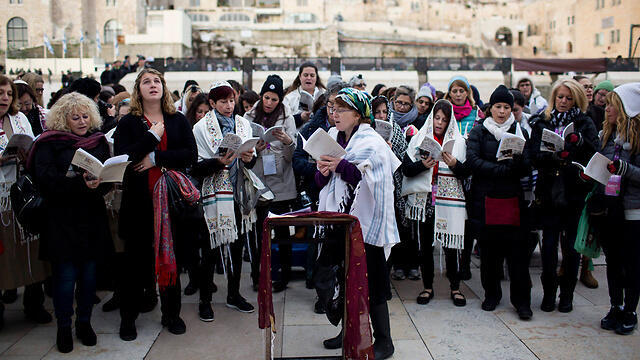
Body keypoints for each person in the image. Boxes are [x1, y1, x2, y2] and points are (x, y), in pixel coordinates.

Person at [114, 68, 197, 341]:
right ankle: (129, 317)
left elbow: (190, 155)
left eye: (157, 81)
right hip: (138, 203)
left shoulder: (177, 120)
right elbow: (124, 157)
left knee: (169, 258)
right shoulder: (129, 123)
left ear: (163, 87)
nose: (153, 85)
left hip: (171, 204)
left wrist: (156, 159)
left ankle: (171, 314)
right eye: (146, 82)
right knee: (135, 263)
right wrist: (151, 137)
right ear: (138, 90)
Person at [316, 88, 399, 359]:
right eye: (332, 108)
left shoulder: (372, 142)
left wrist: (340, 166)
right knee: (338, 276)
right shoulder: (333, 138)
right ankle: (347, 330)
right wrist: (323, 171)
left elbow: (371, 180)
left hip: (366, 223)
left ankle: (384, 341)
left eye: (341, 109)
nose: (334, 114)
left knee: (373, 284)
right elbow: (322, 185)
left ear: (357, 114)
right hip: (340, 222)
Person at [32, 92, 114, 352]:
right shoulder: (49, 143)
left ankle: (85, 323)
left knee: (89, 277)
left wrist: (99, 184)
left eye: (85, 116)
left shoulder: (98, 141)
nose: (81, 121)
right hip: (62, 218)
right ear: (63, 119)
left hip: (91, 216)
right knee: (65, 277)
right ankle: (64, 327)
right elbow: (45, 180)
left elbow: (106, 180)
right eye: (75, 117)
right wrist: (78, 182)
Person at [529, 79, 599, 313]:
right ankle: (549, 293)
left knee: (570, 247)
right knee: (548, 246)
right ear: (554, 97)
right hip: (549, 190)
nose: (563, 102)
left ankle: (567, 295)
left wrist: (578, 144)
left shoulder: (584, 122)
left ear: (576, 100)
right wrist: (553, 157)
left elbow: (593, 154)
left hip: (573, 191)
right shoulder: (543, 121)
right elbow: (533, 154)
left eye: (568, 98)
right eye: (560, 97)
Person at [191, 81, 258, 321]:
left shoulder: (243, 124)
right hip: (213, 193)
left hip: (238, 190)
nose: (229, 106)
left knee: (238, 246)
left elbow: (251, 160)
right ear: (211, 103)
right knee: (210, 249)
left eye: (231, 100)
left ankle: (233, 294)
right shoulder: (200, 128)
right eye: (223, 101)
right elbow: (195, 166)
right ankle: (205, 299)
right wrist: (217, 162)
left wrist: (249, 156)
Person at [466, 85, 533, 319]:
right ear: (490, 108)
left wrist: (513, 166)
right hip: (486, 199)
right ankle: (491, 295)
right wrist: (501, 170)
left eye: (506, 107)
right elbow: (473, 161)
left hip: (512, 200)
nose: (502, 112)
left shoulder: (519, 131)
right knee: (489, 254)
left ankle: (522, 301)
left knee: (517, 256)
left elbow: (526, 164)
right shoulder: (479, 131)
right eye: (498, 107)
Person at [402, 99, 469, 307]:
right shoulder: (419, 138)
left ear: (451, 122)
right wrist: (422, 165)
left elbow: (466, 173)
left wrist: (454, 164)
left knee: (451, 246)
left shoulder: (459, 142)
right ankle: (427, 286)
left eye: (444, 120)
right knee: (424, 247)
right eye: (437, 118)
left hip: (448, 200)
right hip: (424, 201)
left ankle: (455, 287)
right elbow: (406, 169)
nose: (439, 123)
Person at [0, 75, 51, 333]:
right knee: (3, 253)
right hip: (0, 197)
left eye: (8, 93)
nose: (5, 98)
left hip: (23, 192)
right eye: (1, 93)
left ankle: (34, 303)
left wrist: (27, 152)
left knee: (31, 249)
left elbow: (33, 147)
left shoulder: (19, 119)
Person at [243, 75, 297, 293]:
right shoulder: (248, 117)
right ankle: (258, 275)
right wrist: (254, 147)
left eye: (274, 99)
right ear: (261, 95)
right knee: (258, 232)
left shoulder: (288, 117)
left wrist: (286, 142)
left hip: (281, 181)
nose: (269, 103)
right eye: (266, 97)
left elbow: (294, 154)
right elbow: (242, 146)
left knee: (283, 232)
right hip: (257, 181)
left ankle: (284, 275)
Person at [598, 83, 640, 335]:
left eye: (613, 103)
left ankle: (631, 309)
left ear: (626, 108)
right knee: (613, 261)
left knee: (632, 263)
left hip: (633, 210)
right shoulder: (608, 134)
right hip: (609, 208)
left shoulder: (637, 137)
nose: (607, 108)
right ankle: (615, 305)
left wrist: (624, 169)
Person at [284, 62, 326, 128]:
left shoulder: (325, 94)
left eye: (312, 75)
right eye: (305, 75)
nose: (309, 78)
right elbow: (285, 122)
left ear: (316, 78)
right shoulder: (289, 98)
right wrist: (300, 117)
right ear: (300, 77)